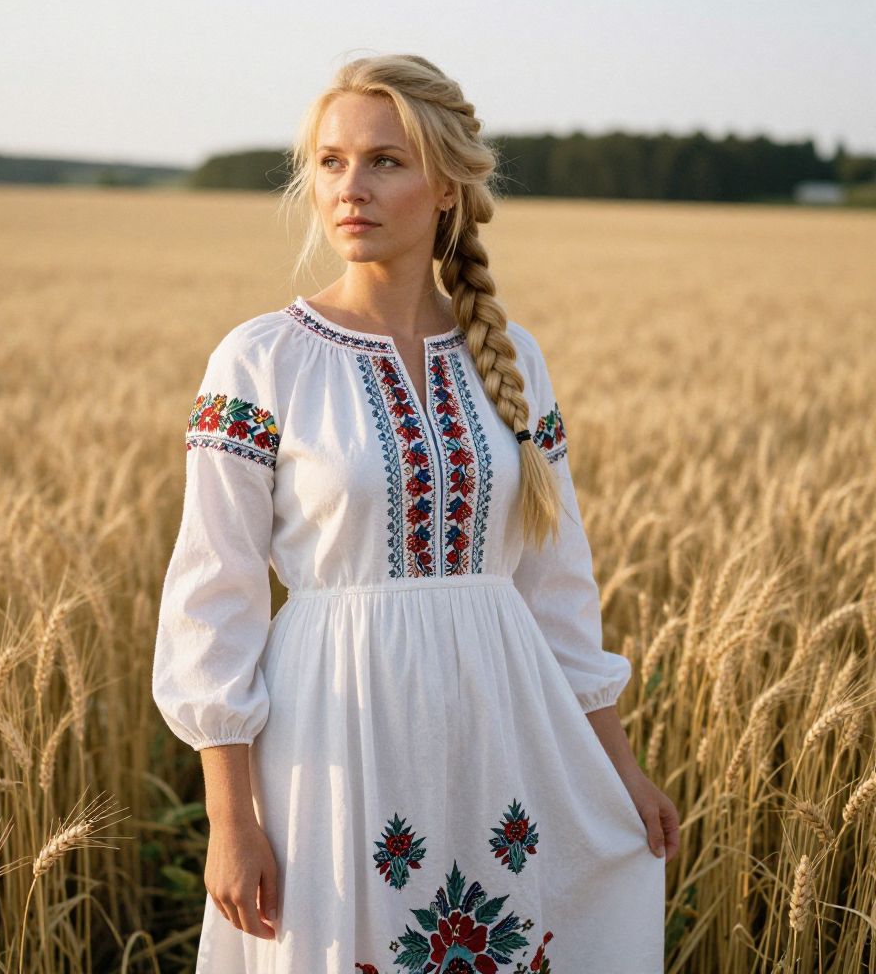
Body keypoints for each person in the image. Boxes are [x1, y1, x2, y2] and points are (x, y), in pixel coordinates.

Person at [152, 52, 680, 973]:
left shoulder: (512, 358)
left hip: (498, 723)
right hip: (334, 736)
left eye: (385, 161)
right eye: (330, 161)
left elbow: (556, 589)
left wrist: (620, 768)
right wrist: (230, 821)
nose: (349, 187)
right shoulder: (261, 360)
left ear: (445, 186)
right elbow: (216, 597)